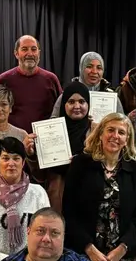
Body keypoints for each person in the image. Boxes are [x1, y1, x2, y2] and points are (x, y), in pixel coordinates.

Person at [63, 113, 136, 261]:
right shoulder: (81, 164)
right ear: (100, 133)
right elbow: (69, 213)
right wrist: (90, 250)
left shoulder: (135, 170)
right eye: (110, 130)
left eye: (121, 132)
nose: (115, 136)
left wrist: (121, 250)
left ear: (127, 139)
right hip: (85, 255)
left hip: (121, 259)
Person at [28, 81, 95, 210]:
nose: (77, 106)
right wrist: (31, 155)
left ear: (88, 104)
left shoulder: (97, 132)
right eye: (71, 102)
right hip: (58, 199)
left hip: (87, 197)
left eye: (82, 102)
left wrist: (81, 161)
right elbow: (40, 176)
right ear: (63, 105)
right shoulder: (50, 131)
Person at [0, 35, 62, 133]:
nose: (30, 53)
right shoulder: (4, 80)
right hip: (14, 141)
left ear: (39, 53)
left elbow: (62, 108)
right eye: (24, 49)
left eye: (34, 49)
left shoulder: (51, 79)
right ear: (16, 53)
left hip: (45, 138)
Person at [51, 52, 124, 116]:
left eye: (99, 68)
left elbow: (121, 123)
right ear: (81, 69)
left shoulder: (111, 97)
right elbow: (55, 123)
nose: (94, 71)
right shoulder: (67, 95)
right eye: (89, 66)